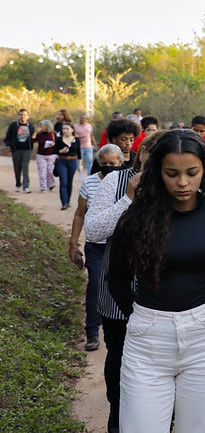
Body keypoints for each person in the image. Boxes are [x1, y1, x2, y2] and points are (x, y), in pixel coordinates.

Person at [107, 129, 205, 433]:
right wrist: (143, 318)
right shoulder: (135, 218)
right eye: (172, 173)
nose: (183, 182)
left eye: (191, 173)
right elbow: (118, 282)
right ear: (157, 173)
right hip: (146, 344)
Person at [85, 131, 164, 433]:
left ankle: (154, 420)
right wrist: (129, 198)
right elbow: (94, 230)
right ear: (141, 153)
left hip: (159, 290)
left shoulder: (173, 185)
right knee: (119, 354)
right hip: (116, 287)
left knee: (156, 359)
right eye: (152, 152)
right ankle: (118, 412)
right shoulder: (114, 182)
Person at [68, 144, 123, 351]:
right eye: (105, 163)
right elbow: (80, 213)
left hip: (121, 245)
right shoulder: (90, 183)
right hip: (96, 246)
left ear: (120, 162)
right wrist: (73, 243)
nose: (109, 166)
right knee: (95, 286)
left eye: (113, 163)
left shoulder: (127, 183)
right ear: (98, 163)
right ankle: (92, 331)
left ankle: (121, 327)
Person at [5, 108, 34, 192]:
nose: (22, 116)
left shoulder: (30, 126)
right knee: (17, 168)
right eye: (21, 114)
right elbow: (8, 136)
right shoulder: (14, 125)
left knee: (25, 167)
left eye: (24, 115)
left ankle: (26, 186)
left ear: (28, 116)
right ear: (19, 116)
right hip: (16, 149)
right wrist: (8, 145)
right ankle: (18, 184)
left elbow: (33, 137)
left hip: (27, 150)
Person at [54, 122, 81, 210]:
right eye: (63, 129)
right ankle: (64, 203)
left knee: (69, 182)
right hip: (62, 161)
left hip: (73, 161)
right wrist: (61, 151)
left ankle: (68, 200)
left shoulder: (76, 140)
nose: (65, 130)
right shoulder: (59, 139)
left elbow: (79, 153)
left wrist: (80, 165)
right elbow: (54, 150)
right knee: (63, 182)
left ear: (72, 129)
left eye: (67, 129)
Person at [35, 119, 58, 192]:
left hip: (51, 155)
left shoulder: (53, 134)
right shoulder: (39, 134)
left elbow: (58, 143)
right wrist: (35, 132)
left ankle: (51, 184)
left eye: (42, 126)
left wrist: (54, 144)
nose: (40, 127)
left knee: (50, 171)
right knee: (42, 171)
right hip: (41, 155)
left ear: (46, 127)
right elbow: (32, 140)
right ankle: (43, 187)